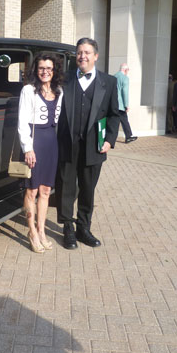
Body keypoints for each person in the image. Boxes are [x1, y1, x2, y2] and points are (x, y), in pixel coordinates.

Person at [56, 38, 120, 250]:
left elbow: (114, 114)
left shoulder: (109, 82)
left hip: (95, 145)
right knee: (65, 187)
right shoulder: (64, 79)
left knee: (87, 189)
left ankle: (84, 228)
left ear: (95, 56)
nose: (82, 56)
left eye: (87, 52)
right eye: (80, 52)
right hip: (68, 142)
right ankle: (67, 228)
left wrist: (110, 140)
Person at [18, 53, 63, 253]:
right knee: (32, 190)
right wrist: (27, 148)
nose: (45, 72)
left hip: (51, 142)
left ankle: (41, 230)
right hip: (35, 143)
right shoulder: (28, 91)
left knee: (45, 191)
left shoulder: (59, 91)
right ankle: (32, 233)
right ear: (36, 70)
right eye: (42, 68)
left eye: (49, 68)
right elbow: (22, 122)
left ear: (54, 71)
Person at [114, 63, 137, 143]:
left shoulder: (114, 76)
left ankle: (113, 138)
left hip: (113, 103)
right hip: (120, 104)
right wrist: (126, 105)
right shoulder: (125, 78)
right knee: (124, 120)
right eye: (128, 70)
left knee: (115, 121)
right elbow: (125, 92)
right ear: (126, 70)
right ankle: (128, 136)